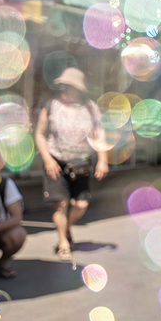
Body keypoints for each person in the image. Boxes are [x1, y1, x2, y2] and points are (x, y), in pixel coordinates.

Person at [34, 67, 108, 260]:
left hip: (81, 163)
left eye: (69, 87)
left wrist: (102, 159)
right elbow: (40, 135)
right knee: (61, 204)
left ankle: (65, 227)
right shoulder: (51, 105)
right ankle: (63, 241)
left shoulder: (90, 107)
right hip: (56, 162)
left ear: (79, 89)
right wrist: (47, 159)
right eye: (63, 86)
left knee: (81, 204)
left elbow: (99, 134)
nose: (64, 90)